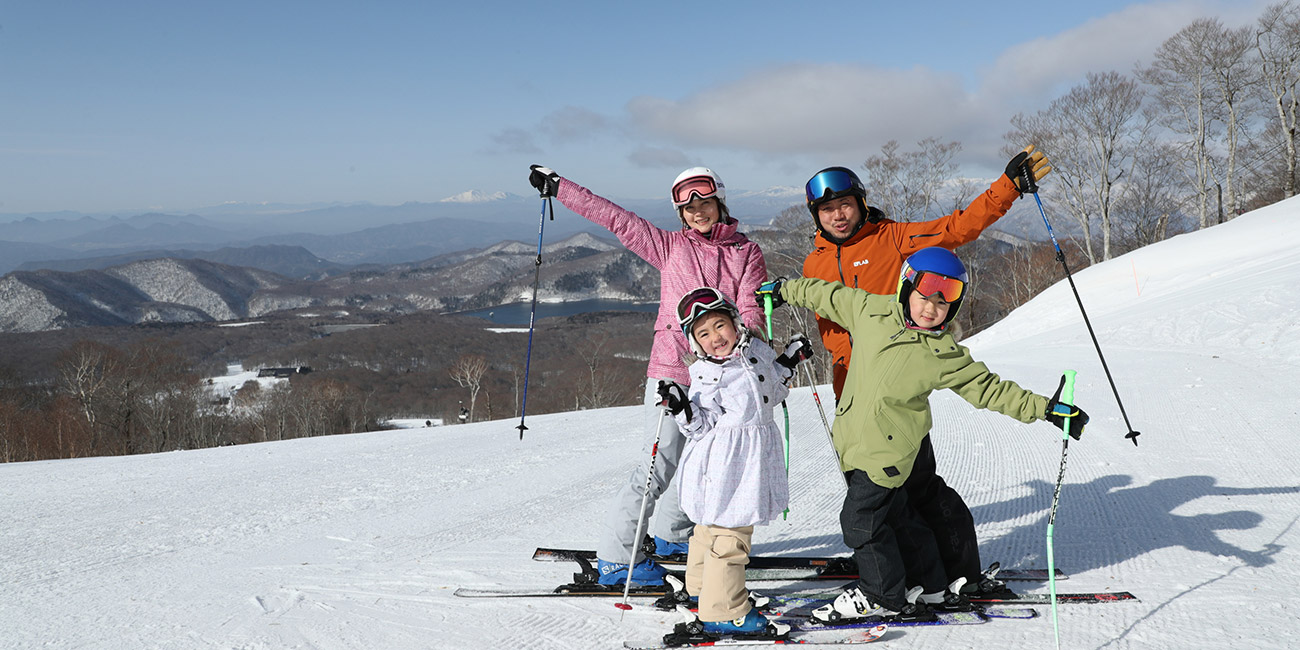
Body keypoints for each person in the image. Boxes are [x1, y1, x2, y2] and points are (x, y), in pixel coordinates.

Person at [755, 248, 1089, 623]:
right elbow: (825, 294)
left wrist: (1044, 408)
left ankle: (881, 593)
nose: (932, 307)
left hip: (886, 454)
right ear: (905, 287)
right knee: (908, 514)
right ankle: (936, 582)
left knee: (861, 521)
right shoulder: (870, 310)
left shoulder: (942, 353)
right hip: (866, 440)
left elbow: (989, 388)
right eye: (924, 294)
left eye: (945, 300)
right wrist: (786, 290)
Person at [799, 147, 1051, 594]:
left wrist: (1007, 187)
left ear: (860, 203)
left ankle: (952, 575)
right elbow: (829, 321)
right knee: (881, 501)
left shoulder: (894, 239)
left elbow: (958, 229)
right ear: (816, 216)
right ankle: (910, 572)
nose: (837, 216)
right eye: (826, 209)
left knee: (918, 491)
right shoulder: (815, 262)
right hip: (853, 398)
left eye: (844, 205)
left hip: (901, 388)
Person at [528, 164, 768, 587]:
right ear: (680, 213)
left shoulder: (745, 253)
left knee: (700, 461)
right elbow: (617, 218)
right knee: (656, 467)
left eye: (705, 202)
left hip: (721, 378)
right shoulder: (669, 247)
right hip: (673, 372)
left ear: (719, 202)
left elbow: (750, 307)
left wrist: (748, 341)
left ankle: (673, 536)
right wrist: (560, 187)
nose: (698, 212)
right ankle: (620, 559)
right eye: (688, 207)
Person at [655, 287, 810, 640]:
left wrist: (787, 361)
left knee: (710, 529)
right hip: (727, 464)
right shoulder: (707, 374)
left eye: (720, 325)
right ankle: (723, 610)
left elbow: (771, 389)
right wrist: (682, 407)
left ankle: (699, 589)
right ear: (694, 342)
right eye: (703, 333)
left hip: (750, 456)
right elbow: (700, 425)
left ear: (735, 322)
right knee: (730, 534)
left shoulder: (755, 350)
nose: (715, 338)